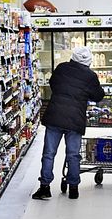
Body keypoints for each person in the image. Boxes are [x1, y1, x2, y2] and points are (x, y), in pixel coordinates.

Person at [33, 45, 105, 200]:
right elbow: (98, 96)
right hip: (75, 119)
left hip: (55, 116)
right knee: (73, 155)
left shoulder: (61, 68)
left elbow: (53, 84)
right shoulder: (90, 76)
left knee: (49, 154)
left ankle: (44, 187)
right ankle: (73, 188)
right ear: (89, 61)